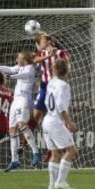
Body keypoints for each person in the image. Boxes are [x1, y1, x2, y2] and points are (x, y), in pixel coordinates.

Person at [0, 51, 41, 171]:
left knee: (22, 124)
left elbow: (24, 75)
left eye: (18, 57)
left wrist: (10, 77)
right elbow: (10, 69)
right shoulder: (20, 67)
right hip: (16, 100)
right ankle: (14, 160)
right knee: (12, 129)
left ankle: (36, 152)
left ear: (24, 58)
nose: (17, 59)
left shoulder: (30, 68)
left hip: (24, 99)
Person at [33, 32, 70, 163]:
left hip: (56, 86)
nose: (39, 43)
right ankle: (27, 144)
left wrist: (55, 55)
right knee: (36, 116)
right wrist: (49, 55)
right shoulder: (41, 53)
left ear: (48, 41)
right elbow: (34, 61)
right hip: (44, 86)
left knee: (54, 118)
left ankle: (52, 151)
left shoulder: (61, 52)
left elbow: (66, 65)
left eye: (41, 40)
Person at [43, 59, 77, 189]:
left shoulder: (51, 83)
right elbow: (61, 107)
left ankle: (51, 186)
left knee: (55, 154)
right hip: (56, 122)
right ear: (67, 70)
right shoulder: (63, 85)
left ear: (54, 70)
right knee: (71, 151)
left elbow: (47, 102)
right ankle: (61, 182)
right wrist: (69, 123)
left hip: (47, 120)